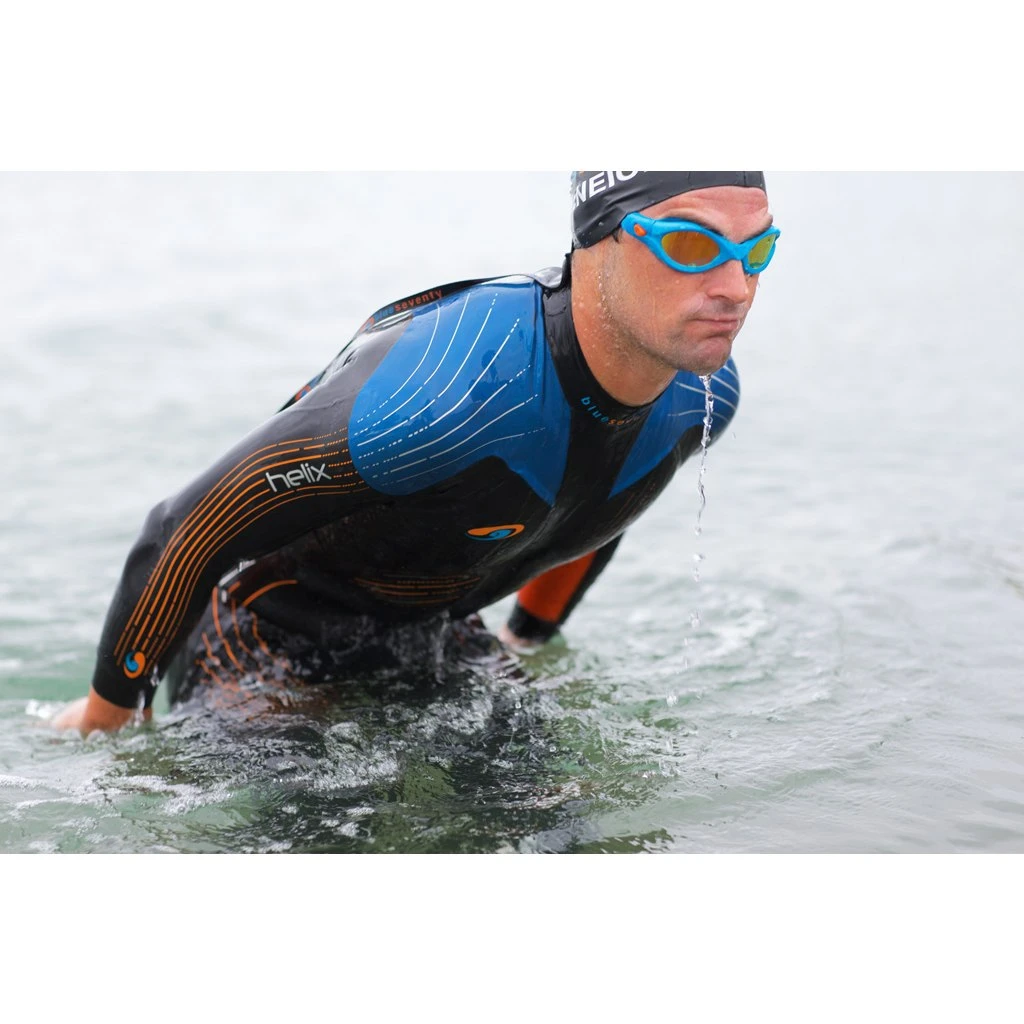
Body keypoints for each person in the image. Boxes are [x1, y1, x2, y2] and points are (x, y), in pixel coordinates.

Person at [54, 171, 779, 734]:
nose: (736, 288)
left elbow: (596, 502)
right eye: (692, 245)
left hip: (432, 635)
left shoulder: (702, 395)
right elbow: (188, 529)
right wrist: (104, 724)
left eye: (757, 250)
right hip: (263, 640)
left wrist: (527, 639)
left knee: (561, 827)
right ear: (600, 238)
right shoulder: (450, 384)